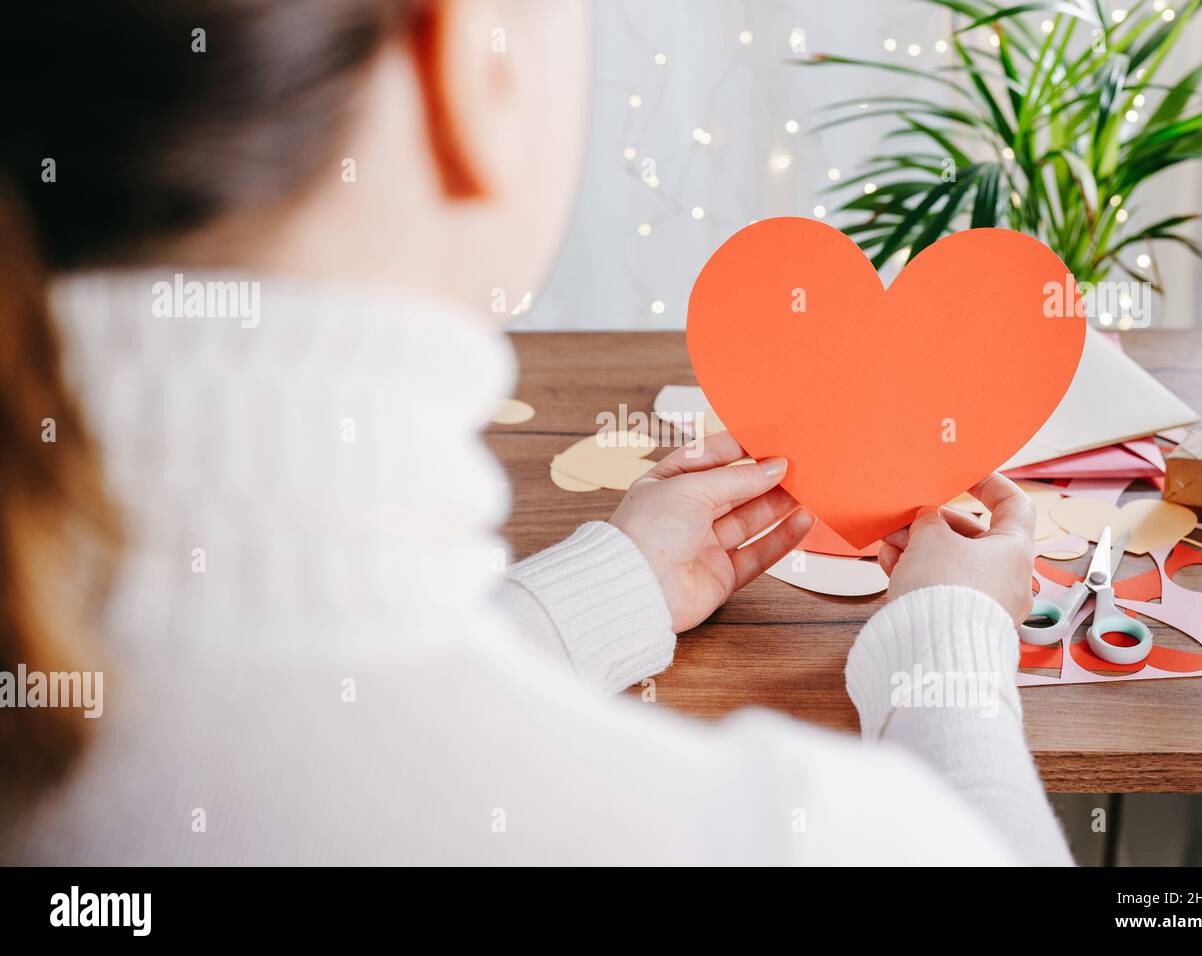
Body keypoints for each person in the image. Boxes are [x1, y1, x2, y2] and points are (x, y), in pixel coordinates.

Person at [0, 0, 1071, 864]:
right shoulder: (805, 837)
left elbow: (312, 727)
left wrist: (605, 592)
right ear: (470, 60)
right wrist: (947, 654)